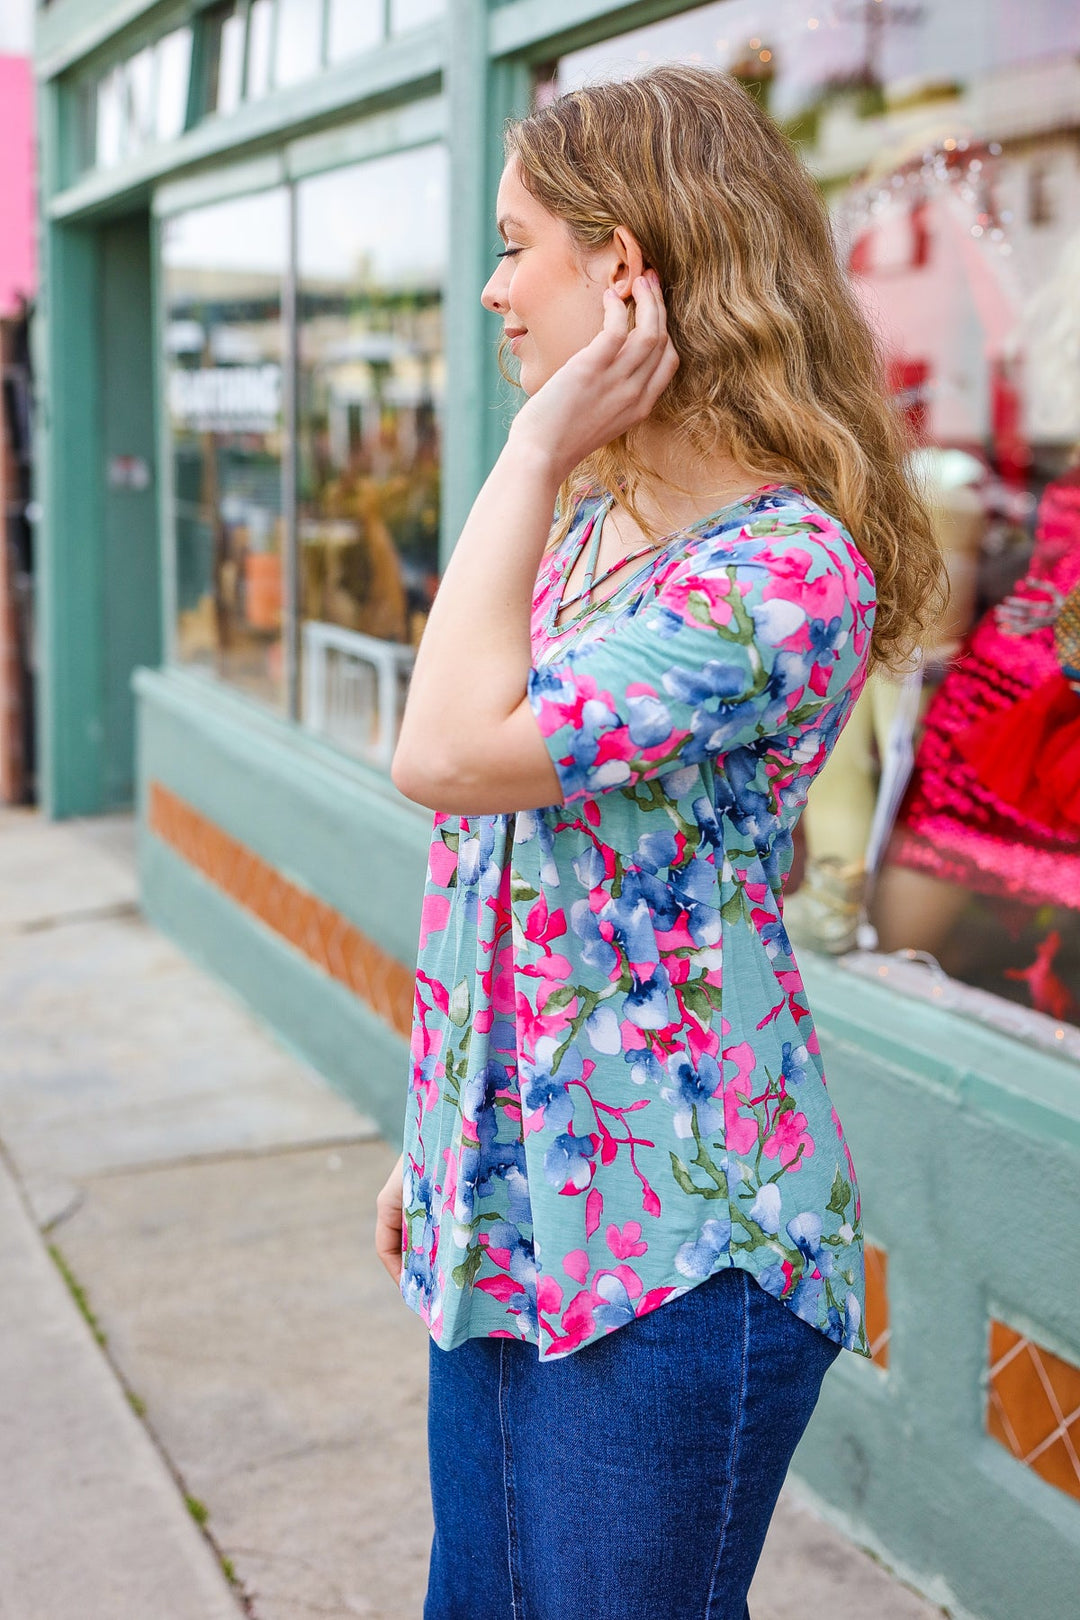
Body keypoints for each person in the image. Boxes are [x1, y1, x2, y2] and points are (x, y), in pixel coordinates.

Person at [375, 63, 941, 1620]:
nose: (493, 292)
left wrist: (535, 443)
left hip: (672, 1258)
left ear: (624, 265)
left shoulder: (775, 575)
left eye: (515, 245)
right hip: (509, 1206)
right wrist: (433, 1138)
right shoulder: (584, 533)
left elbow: (444, 757)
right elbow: (496, 876)